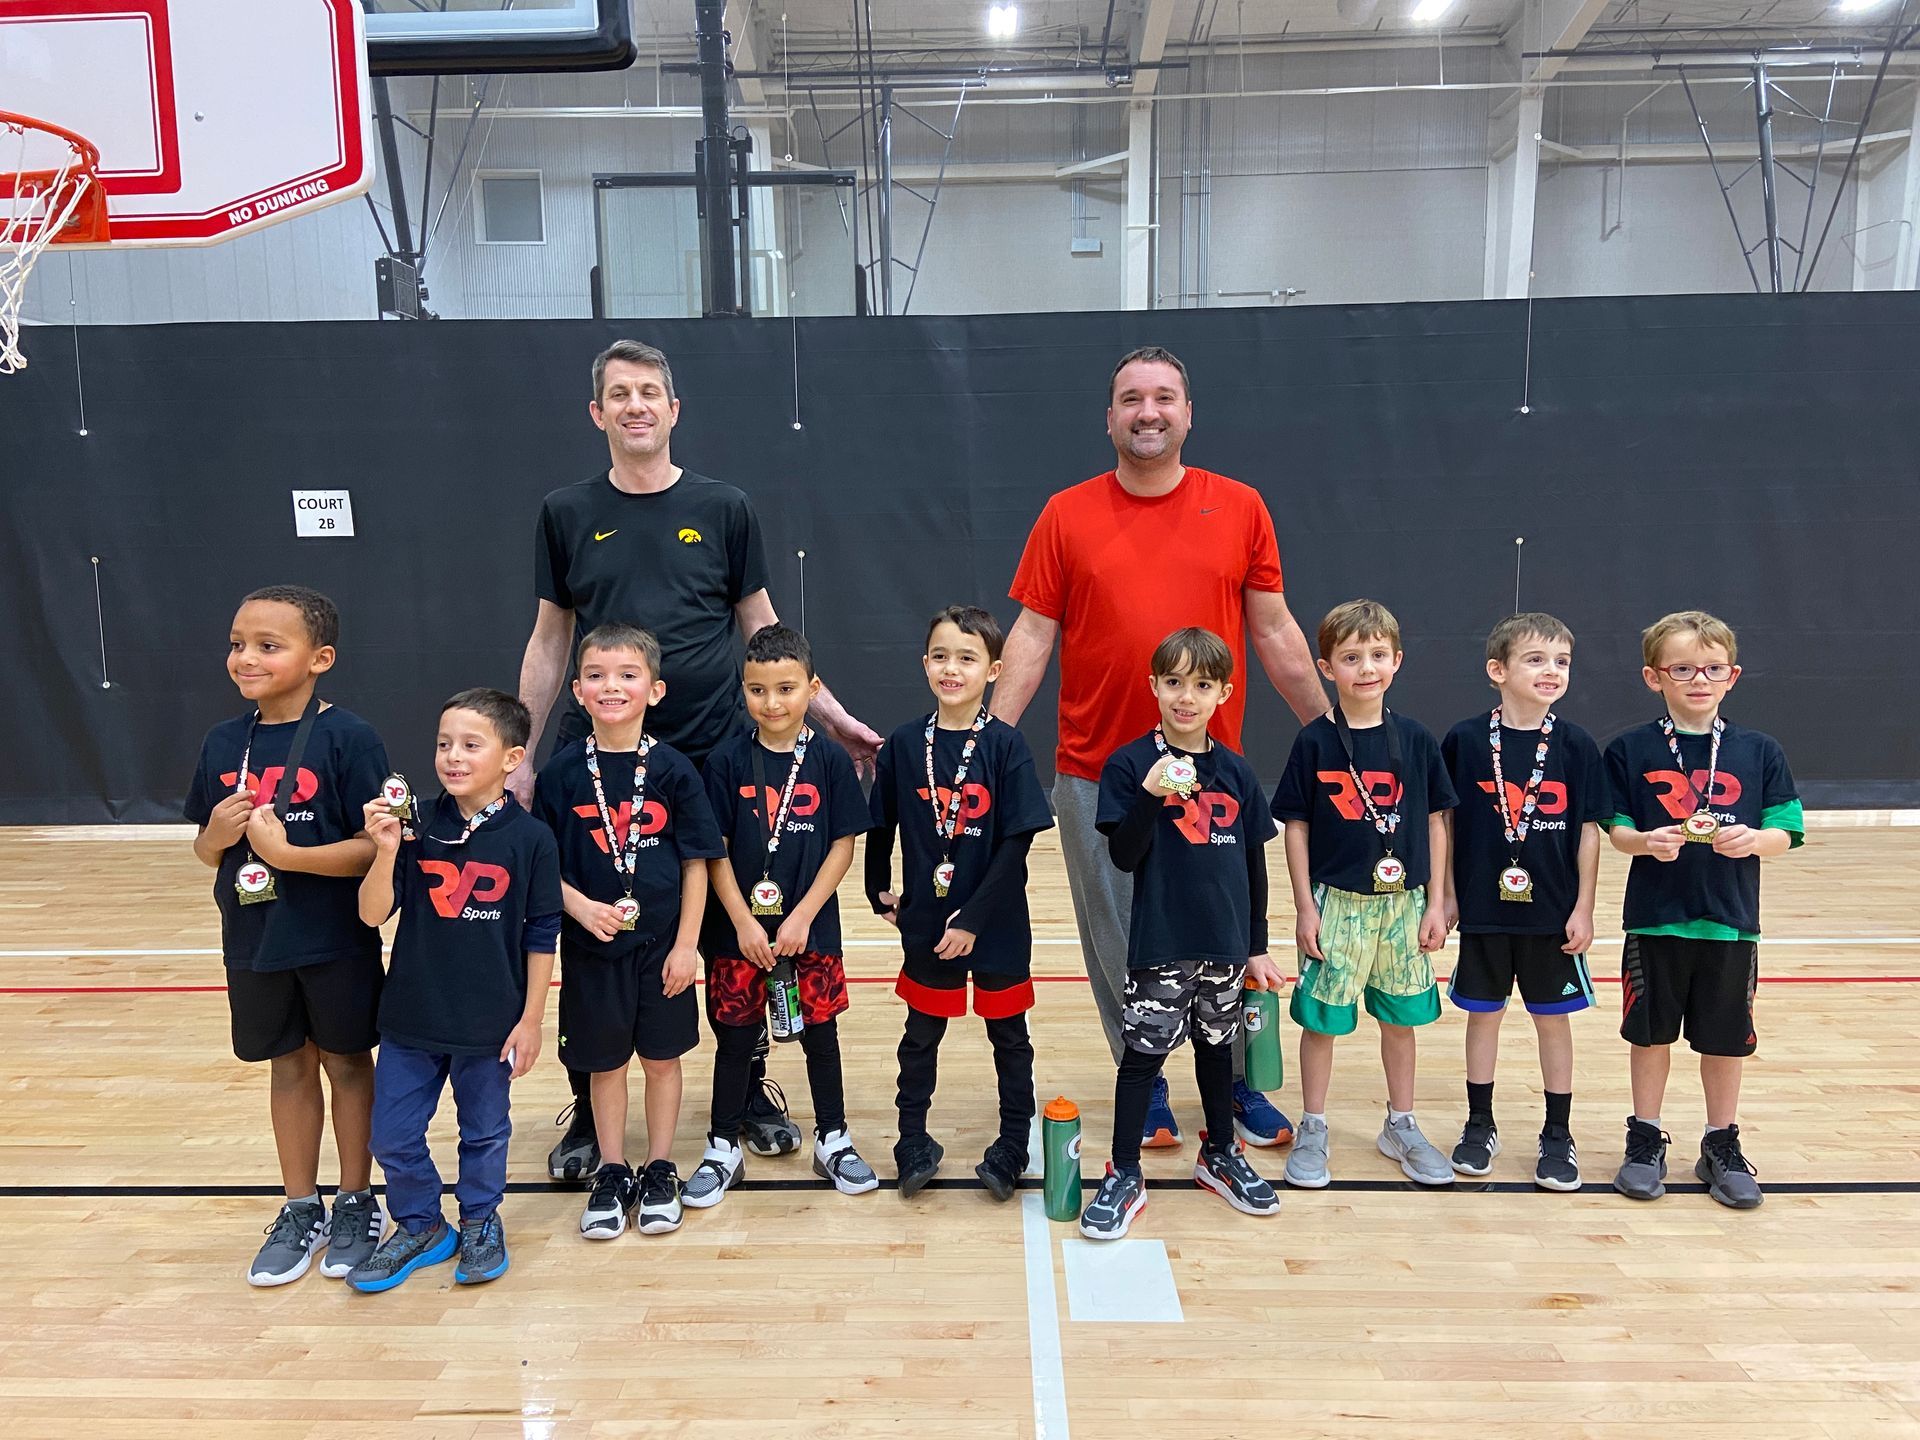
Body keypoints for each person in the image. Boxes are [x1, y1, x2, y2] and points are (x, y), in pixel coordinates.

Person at [511, 339, 881, 1182]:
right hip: (602, 760)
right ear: (597, 413)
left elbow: (762, 624)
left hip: (714, 752)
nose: (635, 405)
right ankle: (590, 1110)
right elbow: (549, 639)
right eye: (619, 394)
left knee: (729, 932)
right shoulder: (566, 511)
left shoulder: (724, 507)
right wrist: (523, 754)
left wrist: (831, 717)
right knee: (599, 935)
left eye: (650, 392)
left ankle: (743, 1094)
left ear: (674, 410)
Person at [992, 345, 1324, 1152]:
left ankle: (1235, 1081)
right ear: (1109, 417)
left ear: (1188, 414)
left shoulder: (1240, 506)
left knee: (1222, 929)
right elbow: (1032, 634)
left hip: (1212, 775)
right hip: (1095, 770)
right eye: (1132, 398)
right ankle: (1143, 1082)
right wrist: (989, 743)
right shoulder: (1065, 513)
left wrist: (1331, 733)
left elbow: (1274, 629)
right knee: (1118, 937)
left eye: (1164, 397)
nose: (1149, 412)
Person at [184, 585, 389, 1288]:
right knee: (288, 1064)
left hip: (333, 936)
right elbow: (206, 851)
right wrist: (216, 836)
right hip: (254, 936)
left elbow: (374, 847)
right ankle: (301, 1207)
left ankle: (357, 1201)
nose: (246, 657)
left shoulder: (350, 738)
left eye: (268, 646)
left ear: (319, 658)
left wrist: (291, 857)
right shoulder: (222, 741)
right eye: (238, 643)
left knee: (347, 1062)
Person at [346, 689, 560, 1291]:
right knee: (390, 1135)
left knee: (485, 1132)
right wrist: (385, 851)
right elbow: (371, 914)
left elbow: (542, 933)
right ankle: (420, 1225)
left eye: (470, 745)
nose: (453, 757)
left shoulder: (532, 838)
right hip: (412, 1016)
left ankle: (480, 1220)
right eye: (444, 744)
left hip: (491, 1023)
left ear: (512, 758)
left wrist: (531, 1019)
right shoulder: (414, 826)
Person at [1079, 628, 1288, 1240]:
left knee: (1218, 1052)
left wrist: (1256, 945)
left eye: (1201, 685)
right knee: (1142, 1057)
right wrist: (1149, 795)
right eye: (1173, 682)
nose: (1186, 697)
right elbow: (1123, 856)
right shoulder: (1129, 765)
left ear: (1224, 693)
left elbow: (1254, 866)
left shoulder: (1237, 772)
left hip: (1225, 946)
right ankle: (1124, 1171)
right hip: (1161, 943)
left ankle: (1220, 1153)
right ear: (1154, 686)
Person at [530, 624, 724, 1239]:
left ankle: (660, 1168)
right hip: (592, 951)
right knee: (606, 1065)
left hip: (663, 950)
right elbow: (542, 865)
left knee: (662, 1062)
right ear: (577, 691)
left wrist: (688, 945)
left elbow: (697, 862)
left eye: (627, 675)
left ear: (655, 690)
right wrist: (581, 908)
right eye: (595, 676)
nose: (611, 686)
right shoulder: (560, 774)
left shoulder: (675, 770)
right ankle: (613, 1171)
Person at [1604, 610, 1803, 1209]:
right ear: (1653, 677)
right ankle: (1645, 1139)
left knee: (1725, 1041)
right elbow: (1617, 829)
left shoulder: (1759, 750)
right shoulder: (1630, 748)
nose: (1699, 680)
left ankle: (1721, 1142)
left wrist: (1754, 839)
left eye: (1713, 669)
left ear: (1732, 676)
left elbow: (1787, 831)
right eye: (1683, 669)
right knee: (1650, 1035)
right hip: (1655, 918)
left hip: (1730, 921)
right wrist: (1645, 841)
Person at [686, 623, 878, 1207]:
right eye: (758, 690)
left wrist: (801, 917)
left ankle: (833, 1139)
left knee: (822, 1036)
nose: (772, 702)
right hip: (738, 934)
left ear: (812, 689)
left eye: (787, 689)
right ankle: (722, 1147)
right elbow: (715, 850)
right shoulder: (725, 761)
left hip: (808, 931)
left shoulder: (829, 759)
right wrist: (743, 921)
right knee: (736, 1041)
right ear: (743, 690)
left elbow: (843, 845)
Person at [866, 606, 1054, 1201]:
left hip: (996, 921)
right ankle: (912, 1141)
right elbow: (882, 822)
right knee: (921, 1034)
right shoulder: (903, 743)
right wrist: (877, 888)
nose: (952, 669)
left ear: (993, 670)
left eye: (967, 658)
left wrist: (973, 918)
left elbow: (1017, 841)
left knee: (1010, 1038)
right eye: (941, 656)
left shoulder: (1006, 745)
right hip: (927, 919)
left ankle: (1013, 1144)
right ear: (925, 663)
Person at [1271, 600, 1457, 1189]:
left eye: (1377, 655)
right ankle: (1314, 1126)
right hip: (1337, 902)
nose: (1366, 668)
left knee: (1400, 1021)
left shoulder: (1417, 739)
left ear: (1397, 661)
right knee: (1323, 1023)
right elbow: (1296, 826)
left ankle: (1401, 1124)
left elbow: (1436, 822)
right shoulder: (1314, 742)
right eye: (1351, 658)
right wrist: (1305, 907)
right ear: (1327, 668)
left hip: (1404, 904)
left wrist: (1437, 901)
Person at [1439, 613, 1609, 1190]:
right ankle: (1479, 1123)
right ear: (1498, 670)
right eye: (1536, 659)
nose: (1551, 670)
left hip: (1552, 915)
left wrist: (1583, 907)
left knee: (1553, 1022)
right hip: (1483, 910)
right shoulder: (1465, 740)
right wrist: (1447, 894)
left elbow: (1588, 831)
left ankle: (1557, 1133)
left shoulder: (1577, 745)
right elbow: (1446, 824)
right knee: (1483, 1016)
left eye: (1562, 661)